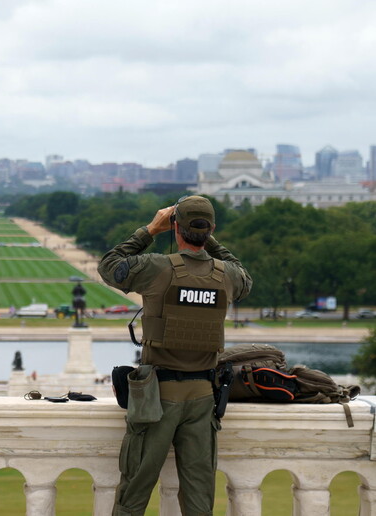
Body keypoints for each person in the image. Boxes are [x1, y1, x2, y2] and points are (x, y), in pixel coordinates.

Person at [98, 196, 252, 516]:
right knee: (199, 497)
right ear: (210, 230)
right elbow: (244, 278)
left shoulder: (156, 266)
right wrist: (207, 237)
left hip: (157, 396)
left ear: (175, 228)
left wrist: (150, 230)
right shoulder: (226, 275)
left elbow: (110, 266)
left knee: (134, 492)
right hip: (202, 396)